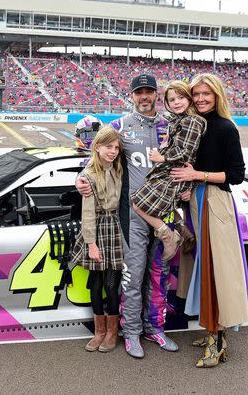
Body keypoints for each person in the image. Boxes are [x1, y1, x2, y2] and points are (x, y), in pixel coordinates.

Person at [76, 74, 177, 358]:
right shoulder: (119, 126)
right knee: (132, 279)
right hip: (131, 216)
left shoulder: (169, 125)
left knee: (159, 277)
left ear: (157, 94)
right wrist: (81, 179)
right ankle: (131, 332)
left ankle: (154, 328)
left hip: (163, 214)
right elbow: (97, 155)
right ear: (131, 96)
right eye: (139, 92)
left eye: (149, 91)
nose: (144, 96)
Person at [170, 73, 248, 368]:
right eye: (197, 94)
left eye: (207, 94)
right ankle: (211, 332)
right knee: (201, 271)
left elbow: (236, 175)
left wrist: (197, 176)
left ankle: (217, 342)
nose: (201, 99)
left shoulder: (225, 128)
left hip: (215, 203)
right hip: (196, 201)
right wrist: (190, 186)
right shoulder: (196, 125)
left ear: (217, 95)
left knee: (215, 273)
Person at [132, 81, 206, 261]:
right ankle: (183, 232)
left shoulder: (192, 121)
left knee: (138, 204)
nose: (176, 102)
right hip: (172, 172)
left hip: (174, 173)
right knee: (164, 208)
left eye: (181, 98)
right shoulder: (179, 119)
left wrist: (162, 157)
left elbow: (185, 151)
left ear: (189, 99)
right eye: (171, 99)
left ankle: (169, 237)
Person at [70, 126, 124, 353]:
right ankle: (99, 331)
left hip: (117, 229)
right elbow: (88, 214)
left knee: (112, 285)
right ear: (97, 147)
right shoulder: (89, 175)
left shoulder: (120, 168)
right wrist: (91, 245)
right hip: (97, 231)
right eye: (108, 147)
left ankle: (112, 332)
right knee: (96, 283)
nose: (112, 151)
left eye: (116, 148)